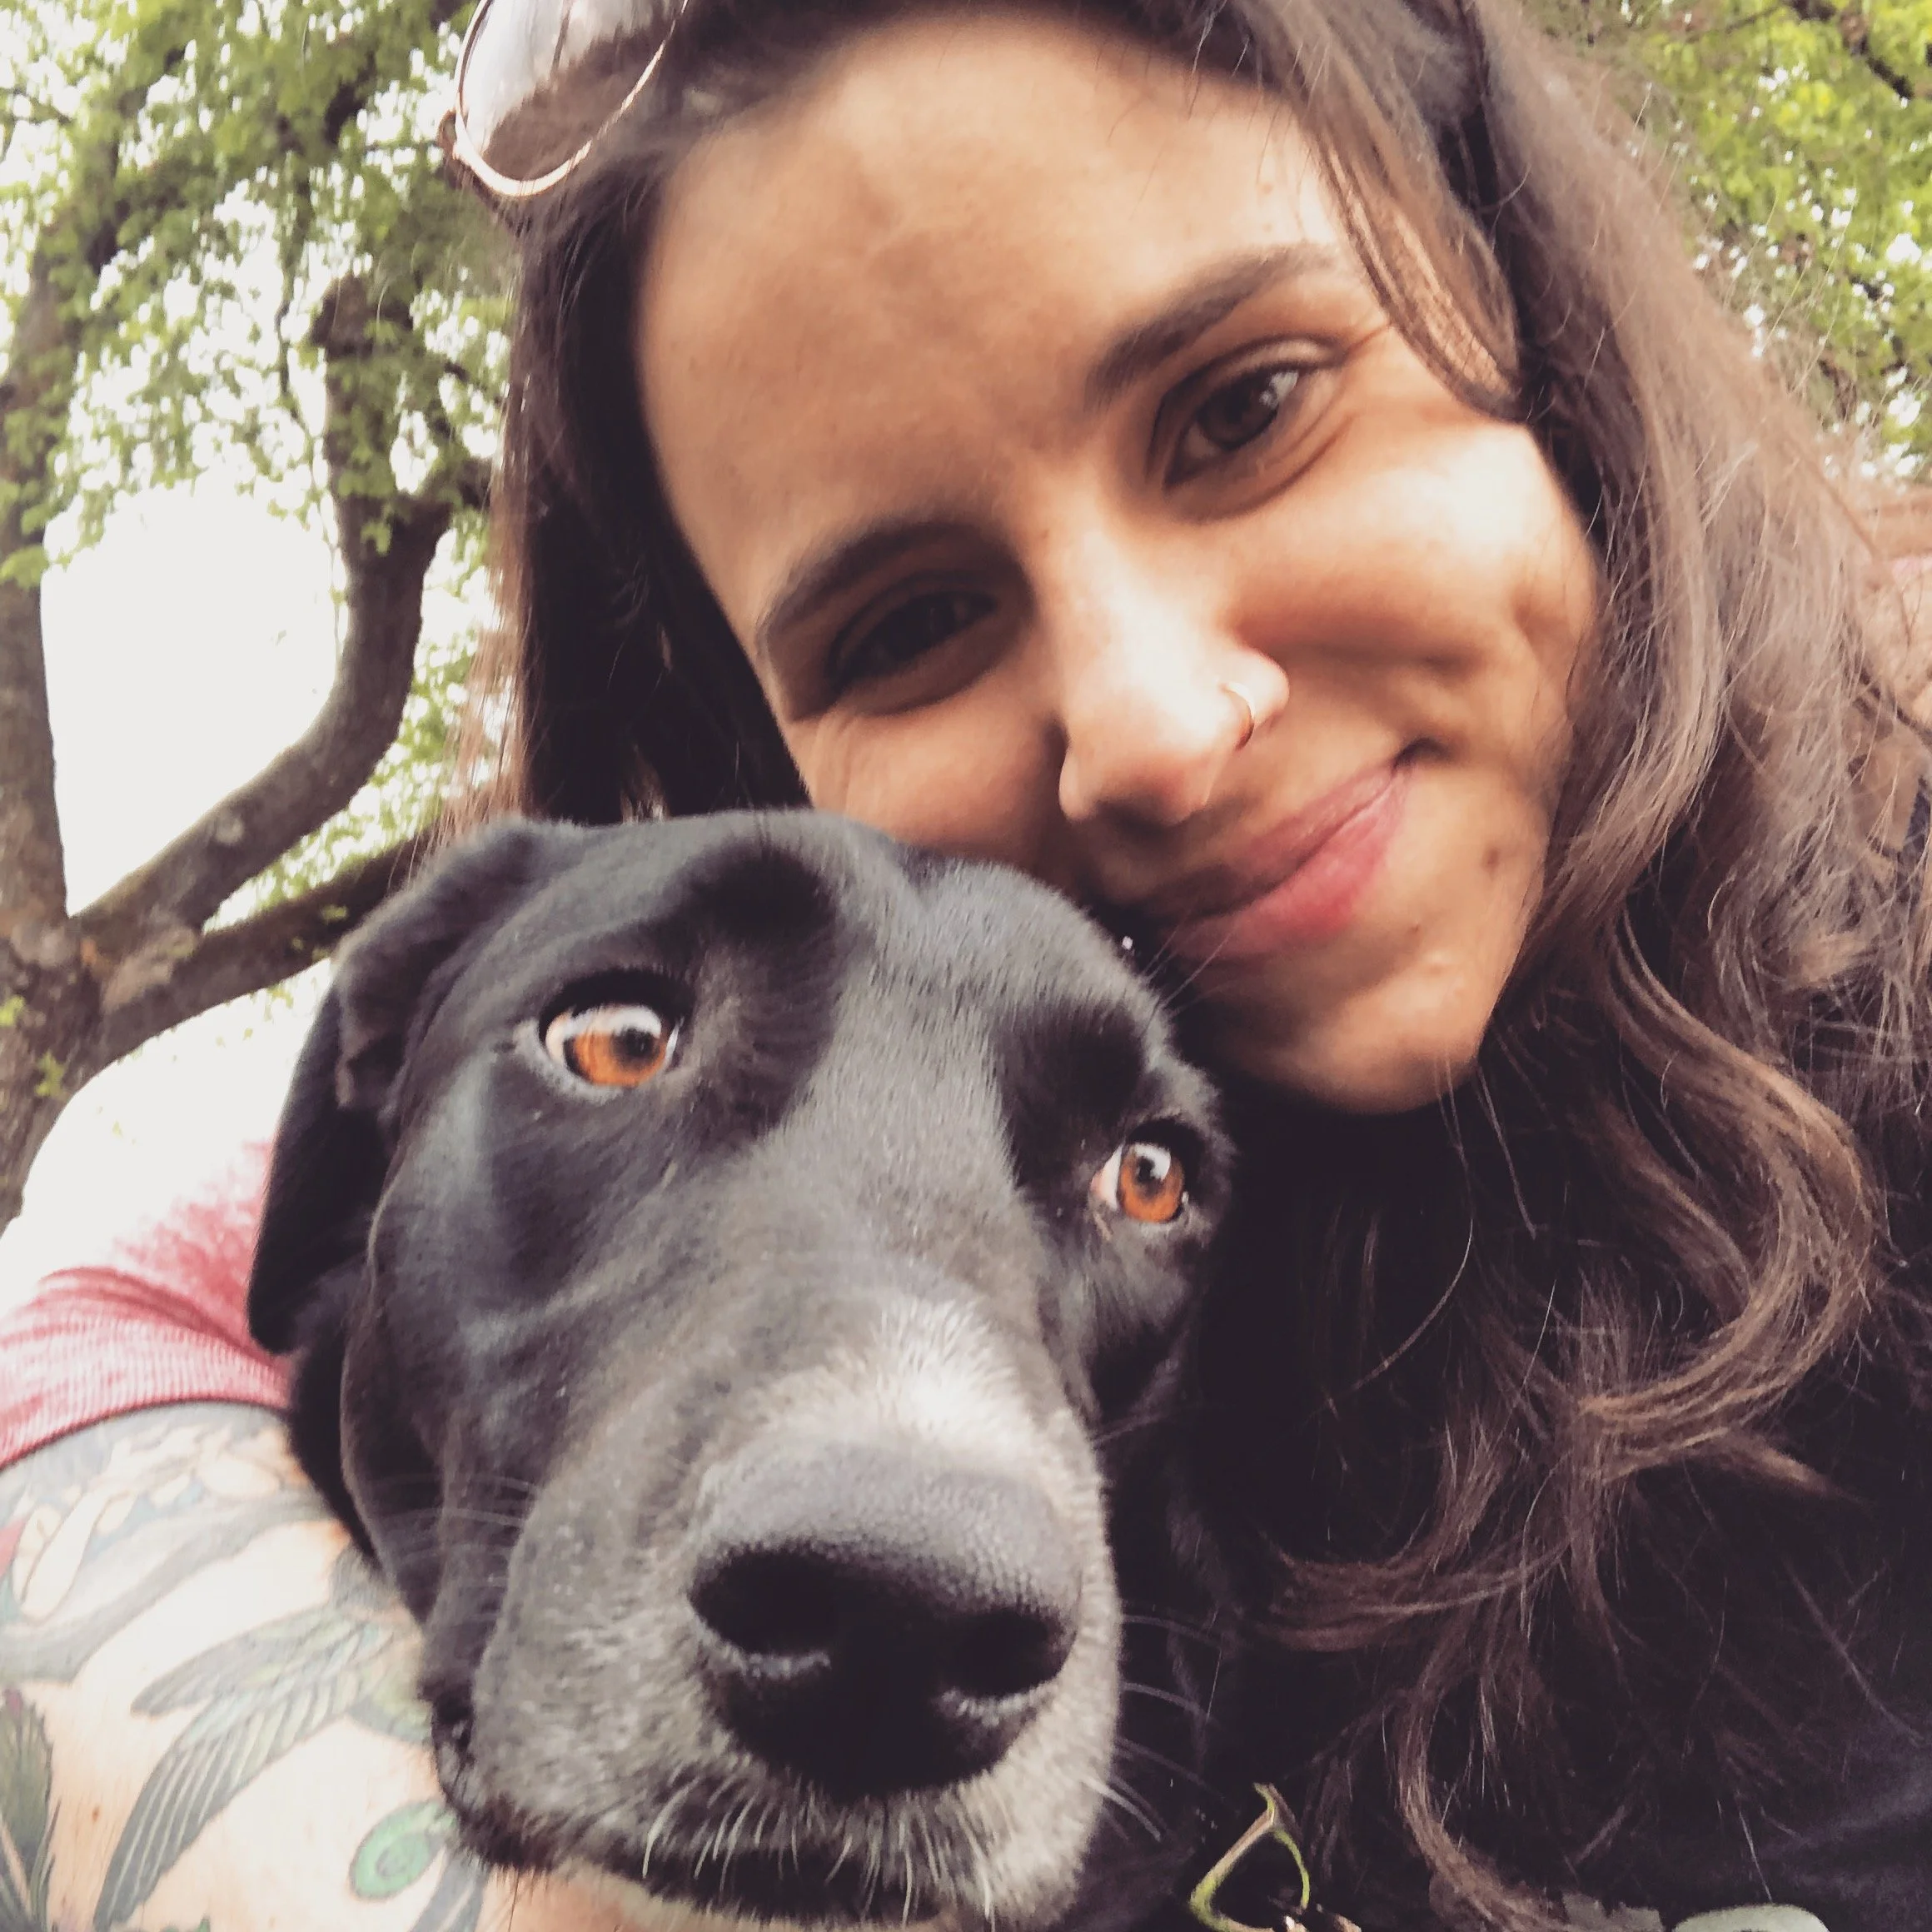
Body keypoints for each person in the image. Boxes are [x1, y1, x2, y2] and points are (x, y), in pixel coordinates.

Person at [4, 1, 1930, 1926]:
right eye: (908, 619)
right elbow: (107, 1305)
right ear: (768, 743)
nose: (1155, 721)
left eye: (1247, 405)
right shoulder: (946, 990)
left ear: (1540, 344)